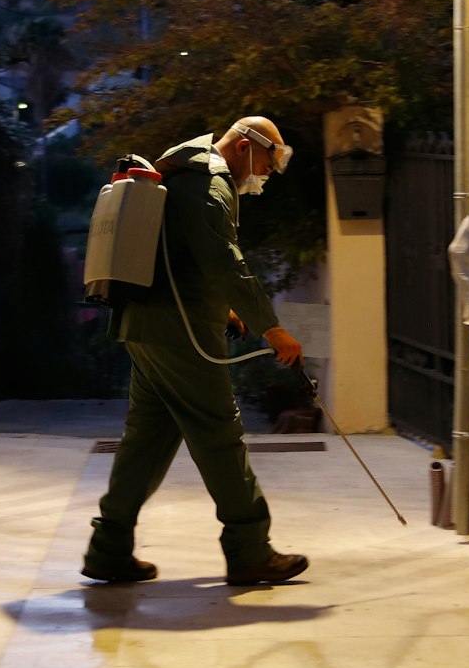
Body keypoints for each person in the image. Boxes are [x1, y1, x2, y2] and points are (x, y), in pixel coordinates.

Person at [81, 116, 311, 586]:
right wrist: (272, 329)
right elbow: (224, 260)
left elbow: (180, 257)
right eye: (269, 160)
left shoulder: (186, 168)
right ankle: (251, 551)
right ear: (247, 146)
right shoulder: (211, 183)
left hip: (147, 327)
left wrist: (223, 312)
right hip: (178, 333)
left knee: (145, 444)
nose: (266, 173)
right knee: (219, 434)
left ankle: (108, 550)